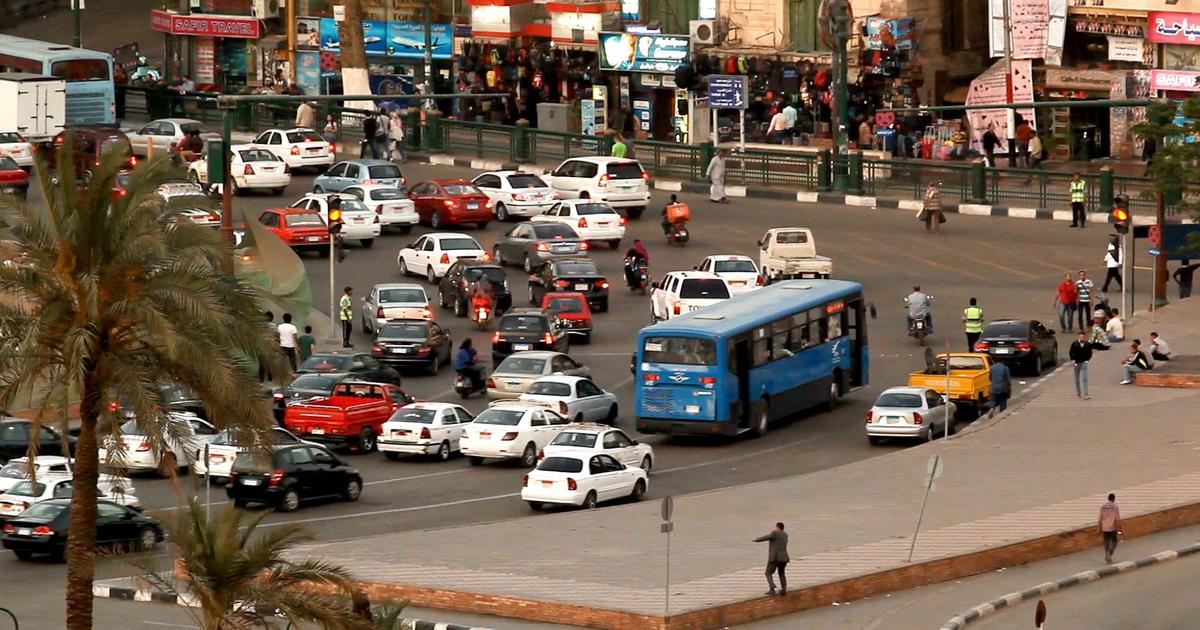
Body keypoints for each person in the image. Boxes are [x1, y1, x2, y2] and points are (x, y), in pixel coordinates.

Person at [753, 522, 790, 596]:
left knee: (768, 573)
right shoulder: (785, 535)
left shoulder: (775, 533)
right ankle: (784, 590)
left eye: (775, 527)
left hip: (775, 557)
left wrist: (756, 540)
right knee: (782, 573)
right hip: (784, 558)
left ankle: (772, 588)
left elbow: (766, 537)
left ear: (777, 527)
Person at [1069, 331, 1092, 399]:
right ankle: (1078, 393)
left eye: (1083, 337)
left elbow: (1090, 353)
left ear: (1085, 337)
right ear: (1078, 337)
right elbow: (1071, 352)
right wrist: (1073, 359)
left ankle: (1086, 393)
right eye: (1081, 337)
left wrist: (1087, 360)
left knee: (1084, 378)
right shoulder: (1075, 344)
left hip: (1083, 362)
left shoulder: (1087, 344)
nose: (1082, 338)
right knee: (1077, 379)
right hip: (1076, 363)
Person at [1099, 493, 1121, 563]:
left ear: (1108, 498)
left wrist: (1099, 527)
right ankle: (1110, 552)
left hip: (1104, 527)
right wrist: (1119, 528)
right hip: (1112, 527)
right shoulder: (1115, 507)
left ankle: (1106, 556)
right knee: (1114, 542)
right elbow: (1117, 518)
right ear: (1113, 499)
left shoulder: (1103, 506)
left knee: (1106, 542)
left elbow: (1100, 518)